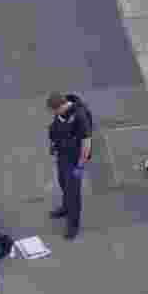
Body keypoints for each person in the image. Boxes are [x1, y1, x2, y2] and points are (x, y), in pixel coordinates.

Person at [46, 92, 92, 239]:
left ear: (60, 106)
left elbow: (86, 143)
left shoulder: (80, 117)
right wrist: (54, 145)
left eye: (54, 111)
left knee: (73, 192)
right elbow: (57, 129)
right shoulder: (61, 114)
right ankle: (66, 208)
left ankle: (73, 225)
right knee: (63, 183)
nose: (54, 114)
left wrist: (80, 165)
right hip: (63, 155)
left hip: (74, 159)